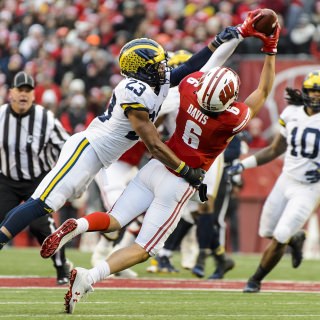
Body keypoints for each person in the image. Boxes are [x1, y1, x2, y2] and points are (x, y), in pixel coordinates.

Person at [41, 10, 280, 313]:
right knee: (144, 249)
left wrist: (236, 33)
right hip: (179, 182)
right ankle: (89, 277)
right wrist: (270, 49)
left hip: (154, 167)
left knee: (114, 220)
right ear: (229, 101)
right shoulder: (230, 120)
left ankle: (80, 224)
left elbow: (203, 65)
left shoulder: (191, 89)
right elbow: (263, 91)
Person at [226, 71, 320, 293]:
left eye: (319, 92)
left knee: (279, 236)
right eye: (312, 91)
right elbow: (276, 148)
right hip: (286, 179)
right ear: (304, 92)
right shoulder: (291, 113)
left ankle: (255, 279)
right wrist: (244, 164)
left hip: (309, 188)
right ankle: (296, 238)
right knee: (267, 231)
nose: (315, 96)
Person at [0, 71, 72, 285]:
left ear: (33, 94)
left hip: (38, 180)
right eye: (19, 90)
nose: (23, 94)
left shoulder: (45, 118)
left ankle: (62, 266)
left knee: (41, 227)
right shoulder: (1, 116)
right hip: (6, 179)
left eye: (27, 91)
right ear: (10, 92)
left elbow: (67, 146)